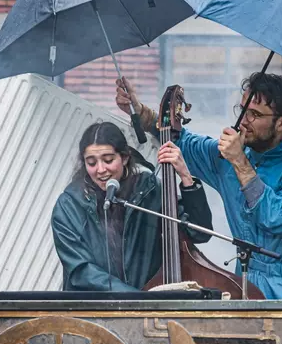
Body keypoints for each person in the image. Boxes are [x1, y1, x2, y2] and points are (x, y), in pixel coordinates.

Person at [116, 73, 282, 299]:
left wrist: (240, 162)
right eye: (242, 110)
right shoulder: (227, 159)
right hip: (244, 281)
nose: (244, 121)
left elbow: (280, 220)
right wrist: (140, 112)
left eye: (255, 114)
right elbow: (184, 142)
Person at [51, 121, 213, 292]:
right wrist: (136, 299)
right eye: (91, 163)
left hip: (144, 307)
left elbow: (199, 233)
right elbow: (80, 270)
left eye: (108, 160)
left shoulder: (149, 191)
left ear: (125, 158)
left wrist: (186, 177)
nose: (100, 169)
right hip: (93, 311)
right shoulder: (68, 205)